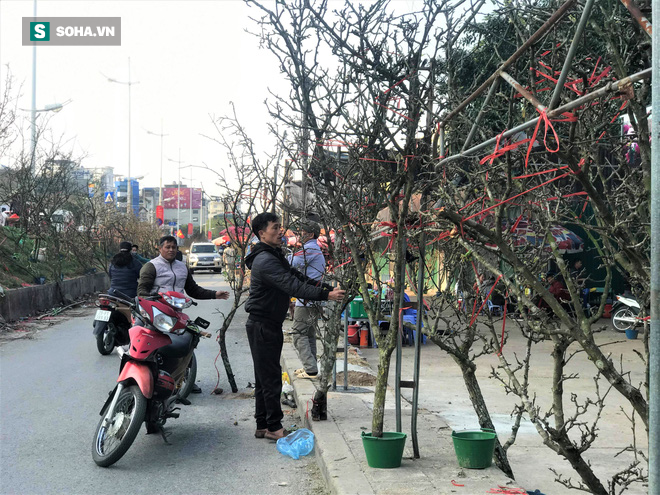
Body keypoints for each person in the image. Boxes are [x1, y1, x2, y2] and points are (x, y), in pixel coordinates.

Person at [244, 212, 345, 440]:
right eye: (275, 227)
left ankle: (263, 425)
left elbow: (297, 277)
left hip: (266, 323)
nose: (281, 231)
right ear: (261, 233)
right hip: (263, 325)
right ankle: (274, 428)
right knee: (269, 378)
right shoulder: (266, 260)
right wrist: (326, 295)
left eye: (281, 226)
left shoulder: (273, 255)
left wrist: (326, 289)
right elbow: (292, 285)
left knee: (263, 377)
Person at [138, 235, 230, 393]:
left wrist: (215, 294)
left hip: (175, 316)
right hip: (153, 313)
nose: (171, 250)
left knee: (187, 342)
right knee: (139, 342)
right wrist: (155, 301)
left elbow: (193, 290)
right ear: (160, 249)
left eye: (174, 247)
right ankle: (132, 380)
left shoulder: (182, 267)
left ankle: (184, 378)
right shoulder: (151, 266)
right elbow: (142, 292)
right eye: (167, 247)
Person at [287, 220, 326, 379]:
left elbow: (291, 263)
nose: (299, 234)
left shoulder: (309, 250)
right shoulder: (314, 249)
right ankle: (311, 368)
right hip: (313, 299)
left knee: (297, 334)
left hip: (306, 301)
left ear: (310, 234)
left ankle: (310, 368)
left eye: (301, 231)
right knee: (308, 334)